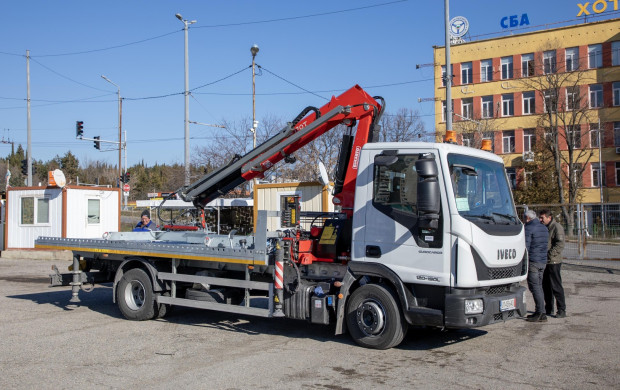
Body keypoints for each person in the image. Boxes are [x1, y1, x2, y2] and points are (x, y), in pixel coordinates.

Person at [539, 209, 566, 318]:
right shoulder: (544, 228)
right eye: (540, 218)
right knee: (546, 286)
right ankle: (549, 308)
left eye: (542, 218)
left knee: (556, 286)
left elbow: (559, 244)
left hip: (553, 261)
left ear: (549, 217)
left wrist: (550, 255)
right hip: (545, 261)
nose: (540, 220)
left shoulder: (556, 227)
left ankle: (561, 309)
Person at [524, 209, 549, 322]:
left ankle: (539, 312)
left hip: (533, 261)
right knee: (539, 286)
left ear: (528, 218)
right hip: (542, 261)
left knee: (535, 287)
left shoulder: (529, 228)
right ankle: (541, 311)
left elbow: (526, 246)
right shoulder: (543, 227)